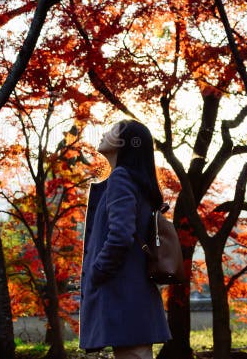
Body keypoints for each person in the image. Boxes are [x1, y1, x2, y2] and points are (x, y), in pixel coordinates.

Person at [79, 119, 171, 359]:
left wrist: (97, 271)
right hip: (133, 294)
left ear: (123, 142)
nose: (104, 133)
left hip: (124, 295)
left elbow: (120, 236)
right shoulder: (134, 180)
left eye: (111, 130)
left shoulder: (122, 178)